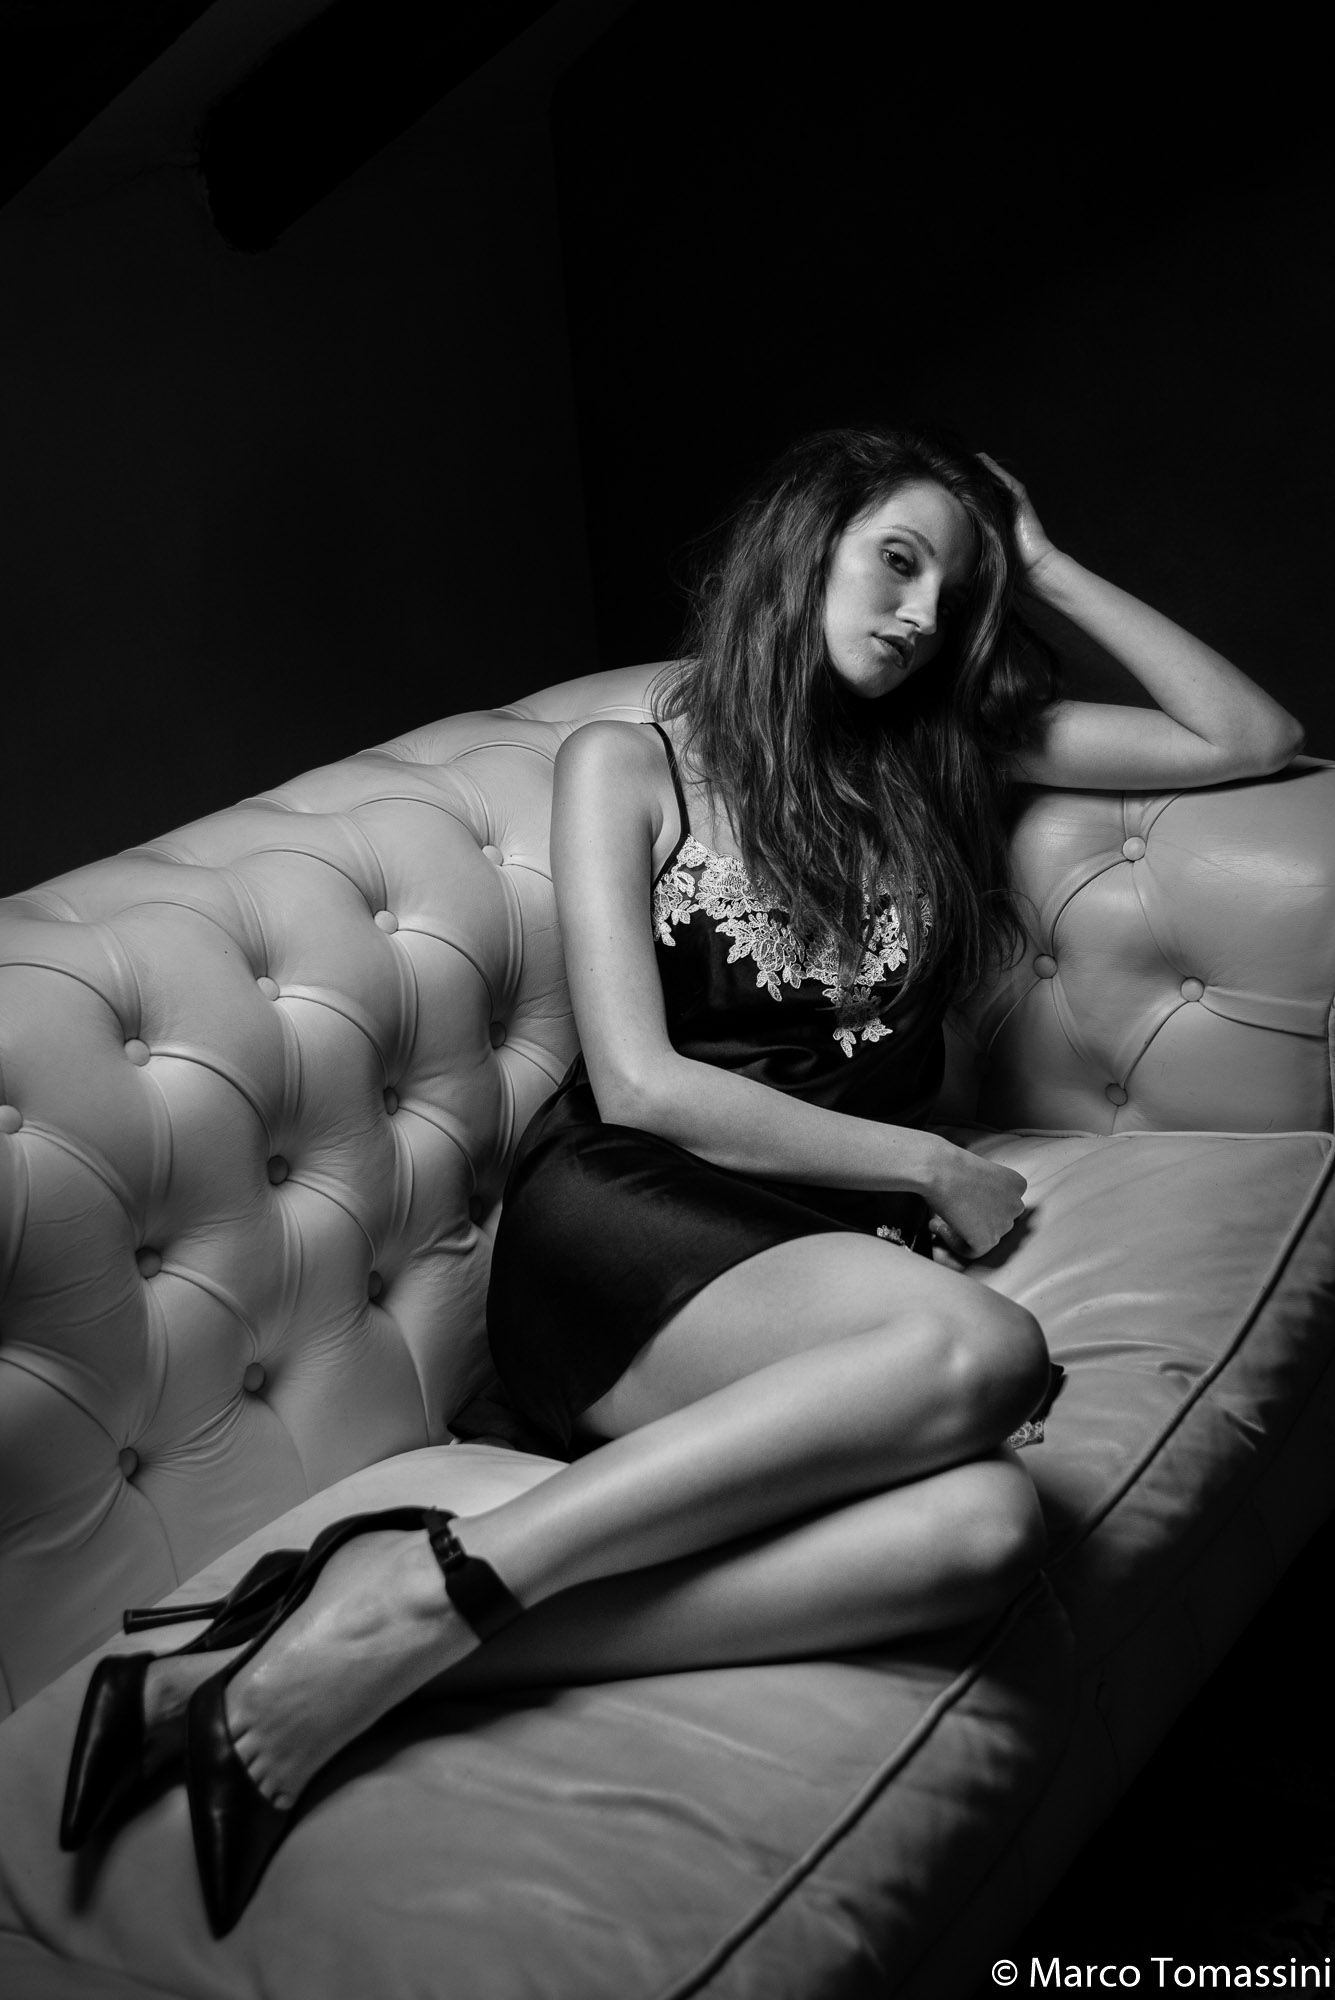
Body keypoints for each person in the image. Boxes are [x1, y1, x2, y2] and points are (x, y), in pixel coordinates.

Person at [59, 426, 1304, 1935]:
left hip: (805, 1257)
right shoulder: (631, 761)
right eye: (895, 559)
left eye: (954, 592)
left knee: (987, 1535)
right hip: (624, 1220)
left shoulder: (951, 749)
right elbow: (643, 1082)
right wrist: (927, 1162)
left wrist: (1038, 563)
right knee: (986, 1353)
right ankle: (432, 1582)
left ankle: (329, 1659)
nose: (920, 612)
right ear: (809, 546)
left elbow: (1247, 731)